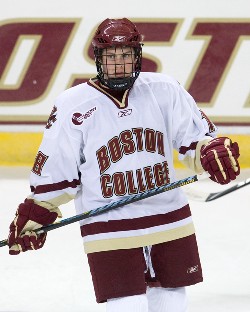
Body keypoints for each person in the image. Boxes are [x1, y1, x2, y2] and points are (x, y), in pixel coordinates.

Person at [7, 18, 240, 312]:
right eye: (111, 56)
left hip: (168, 217)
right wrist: (38, 210)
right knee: (126, 305)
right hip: (108, 226)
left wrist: (210, 151)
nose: (119, 64)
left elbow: (196, 140)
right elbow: (57, 169)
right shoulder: (72, 105)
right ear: (98, 58)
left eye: (126, 55)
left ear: (137, 55)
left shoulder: (164, 89)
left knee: (173, 300)